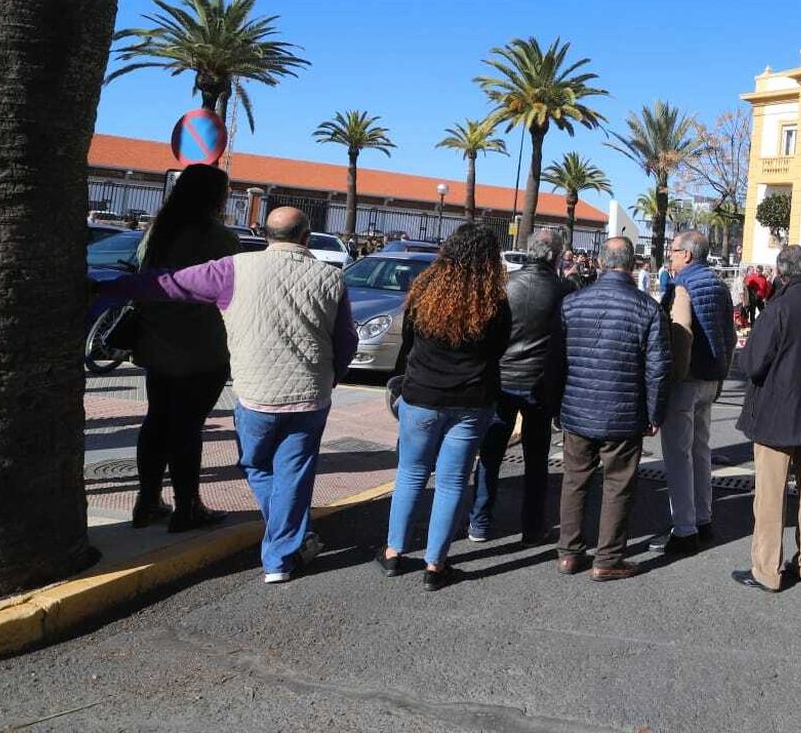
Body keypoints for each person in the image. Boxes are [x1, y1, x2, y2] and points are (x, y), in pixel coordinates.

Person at [100, 207, 356, 583]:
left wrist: (106, 284)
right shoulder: (332, 279)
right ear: (306, 237)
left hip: (254, 393)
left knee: (255, 465)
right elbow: (346, 340)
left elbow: (169, 283)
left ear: (266, 234)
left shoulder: (232, 270)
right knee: (294, 473)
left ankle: (283, 547)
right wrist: (335, 375)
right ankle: (281, 556)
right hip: (311, 395)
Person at [379, 224, 511, 590]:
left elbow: (408, 343)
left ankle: (394, 553)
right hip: (471, 400)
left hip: (421, 394)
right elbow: (498, 350)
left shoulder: (424, 290)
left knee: (410, 473)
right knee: (453, 481)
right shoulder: (494, 302)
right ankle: (435, 566)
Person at [128, 164, 241, 533]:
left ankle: (146, 500)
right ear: (215, 197)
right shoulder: (219, 238)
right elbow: (233, 288)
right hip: (202, 344)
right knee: (188, 425)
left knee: (157, 419)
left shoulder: (157, 233)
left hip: (157, 340)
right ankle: (187, 506)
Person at [556, 237, 672, 580]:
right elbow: (658, 368)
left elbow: (557, 360)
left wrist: (557, 405)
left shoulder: (572, 302)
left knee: (574, 479)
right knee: (618, 484)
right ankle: (607, 557)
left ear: (602, 262)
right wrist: (655, 413)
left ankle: (569, 551)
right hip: (623, 412)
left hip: (577, 408)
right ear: (632, 263)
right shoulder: (647, 308)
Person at [732, 244, 801, 592]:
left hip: (774, 414)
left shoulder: (777, 309)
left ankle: (767, 569)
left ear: (781, 272)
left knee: (770, 495)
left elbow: (752, 363)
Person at [468, 228, 567, 546]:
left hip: (502, 380)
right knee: (537, 459)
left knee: (490, 454)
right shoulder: (563, 289)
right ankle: (533, 527)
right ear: (555, 256)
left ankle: (480, 522)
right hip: (540, 384)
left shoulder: (506, 285)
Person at [657, 230, 736, 556]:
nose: (670, 257)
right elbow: (729, 336)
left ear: (687, 254)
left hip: (686, 380)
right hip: (710, 379)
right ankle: (703, 519)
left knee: (678, 456)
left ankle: (685, 529)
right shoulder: (719, 285)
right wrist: (722, 374)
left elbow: (682, 332)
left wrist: (672, 377)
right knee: (701, 450)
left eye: (673, 252)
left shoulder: (681, 286)